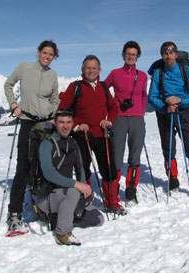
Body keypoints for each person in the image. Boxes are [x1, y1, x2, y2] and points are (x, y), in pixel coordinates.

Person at [4, 40, 60, 236]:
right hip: (28, 122)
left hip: (46, 123)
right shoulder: (24, 68)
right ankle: (15, 213)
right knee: (23, 167)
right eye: (44, 53)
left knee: (46, 165)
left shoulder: (52, 75)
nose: (47, 56)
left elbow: (55, 98)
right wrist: (13, 105)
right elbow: (8, 84)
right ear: (38, 52)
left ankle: (47, 205)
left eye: (51, 54)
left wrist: (53, 116)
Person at [58, 55, 125, 215]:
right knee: (83, 171)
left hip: (102, 135)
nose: (91, 70)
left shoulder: (103, 87)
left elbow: (113, 108)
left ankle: (112, 203)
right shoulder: (75, 87)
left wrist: (109, 121)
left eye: (94, 68)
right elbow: (62, 110)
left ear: (99, 70)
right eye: (88, 67)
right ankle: (85, 203)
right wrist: (75, 126)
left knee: (109, 168)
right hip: (82, 136)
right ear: (82, 70)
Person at [148, 41, 189, 199]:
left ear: (176, 55)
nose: (168, 55)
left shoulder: (185, 69)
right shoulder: (159, 72)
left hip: (183, 113)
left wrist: (179, 100)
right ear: (162, 55)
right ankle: (173, 182)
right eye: (165, 52)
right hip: (165, 115)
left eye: (171, 52)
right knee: (168, 150)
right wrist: (165, 107)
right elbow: (152, 97)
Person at [37, 109, 104, 246]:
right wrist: (77, 185)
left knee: (98, 218)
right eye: (61, 122)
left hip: (66, 194)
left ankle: (61, 216)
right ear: (55, 123)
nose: (65, 126)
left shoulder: (73, 144)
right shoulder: (47, 144)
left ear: (73, 123)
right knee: (73, 191)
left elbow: (80, 169)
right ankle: (63, 232)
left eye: (68, 122)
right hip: (47, 197)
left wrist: (84, 189)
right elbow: (48, 173)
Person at [104, 41, 148, 205]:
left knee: (134, 156)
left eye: (134, 54)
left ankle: (131, 191)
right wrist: (112, 106)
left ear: (138, 57)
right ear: (123, 55)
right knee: (116, 156)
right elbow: (103, 88)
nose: (130, 57)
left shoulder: (143, 76)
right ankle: (114, 190)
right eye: (128, 53)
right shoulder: (115, 73)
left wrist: (141, 111)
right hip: (119, 118)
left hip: (137, 119)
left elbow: (144, 95)